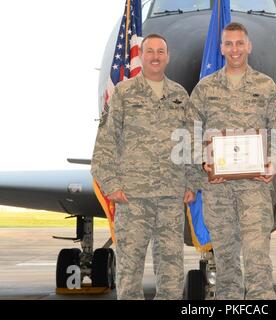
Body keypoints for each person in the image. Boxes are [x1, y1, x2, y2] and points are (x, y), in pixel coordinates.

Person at [187, 22, 276, 300]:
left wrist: (273, 162)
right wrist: (204, 163)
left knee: (257, 259)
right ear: (221, 48)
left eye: (239, 43)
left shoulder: (266, 87)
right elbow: (190, 133)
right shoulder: (204, 89)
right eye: (228, 44)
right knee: (226, 262)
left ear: (248, 46)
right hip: (218, 191)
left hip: (255, 189)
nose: (234, 49)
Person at [91, 33, 193, 300]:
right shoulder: (124, 93)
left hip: (170, 198)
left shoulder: (180, 95)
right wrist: (111, 185)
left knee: (172, 273)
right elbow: (104, 145)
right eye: (150, 51)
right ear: (141, 55)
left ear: (167, 57)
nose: (156, 56)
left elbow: (189, 144)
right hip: (133, 199)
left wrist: (192, 183)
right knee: (129, 273)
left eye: (161, 51)